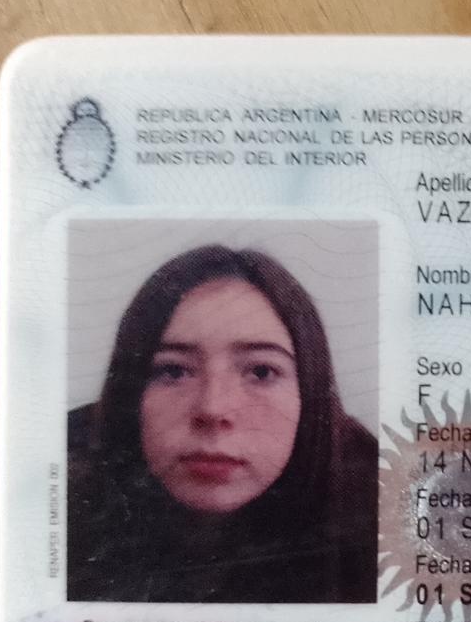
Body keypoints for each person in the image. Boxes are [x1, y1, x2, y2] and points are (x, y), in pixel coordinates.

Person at [67, 244, 379, 603]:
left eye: (261, 372)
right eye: (173, 371)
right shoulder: (49, 509)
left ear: (310, 395)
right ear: (128, 394)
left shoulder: (384, 537)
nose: (213, 409)